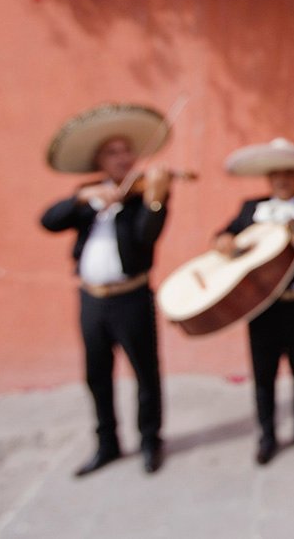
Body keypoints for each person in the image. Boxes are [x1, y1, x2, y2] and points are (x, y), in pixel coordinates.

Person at [40, 103, 173, 476]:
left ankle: (150, 441)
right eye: (113, 152)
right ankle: (107, 444)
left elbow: (146, 237)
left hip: (131, 297)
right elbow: (48, 221)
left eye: (126, 151)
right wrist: (83, 198)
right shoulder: (88, 195)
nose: (123, 157)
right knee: (96, 374)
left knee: (145, 372)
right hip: (92, 300)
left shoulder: (146, 195)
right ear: (100, 160)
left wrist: (157, 199)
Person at [214, 138, 294, 465]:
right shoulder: (251, 209)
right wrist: (223, 241)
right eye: (277, 174)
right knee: (264, 374)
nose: (283, 180)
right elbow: (224, 235)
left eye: (289, 174)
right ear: (268, 178)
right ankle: (267, 434)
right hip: (262, 306)